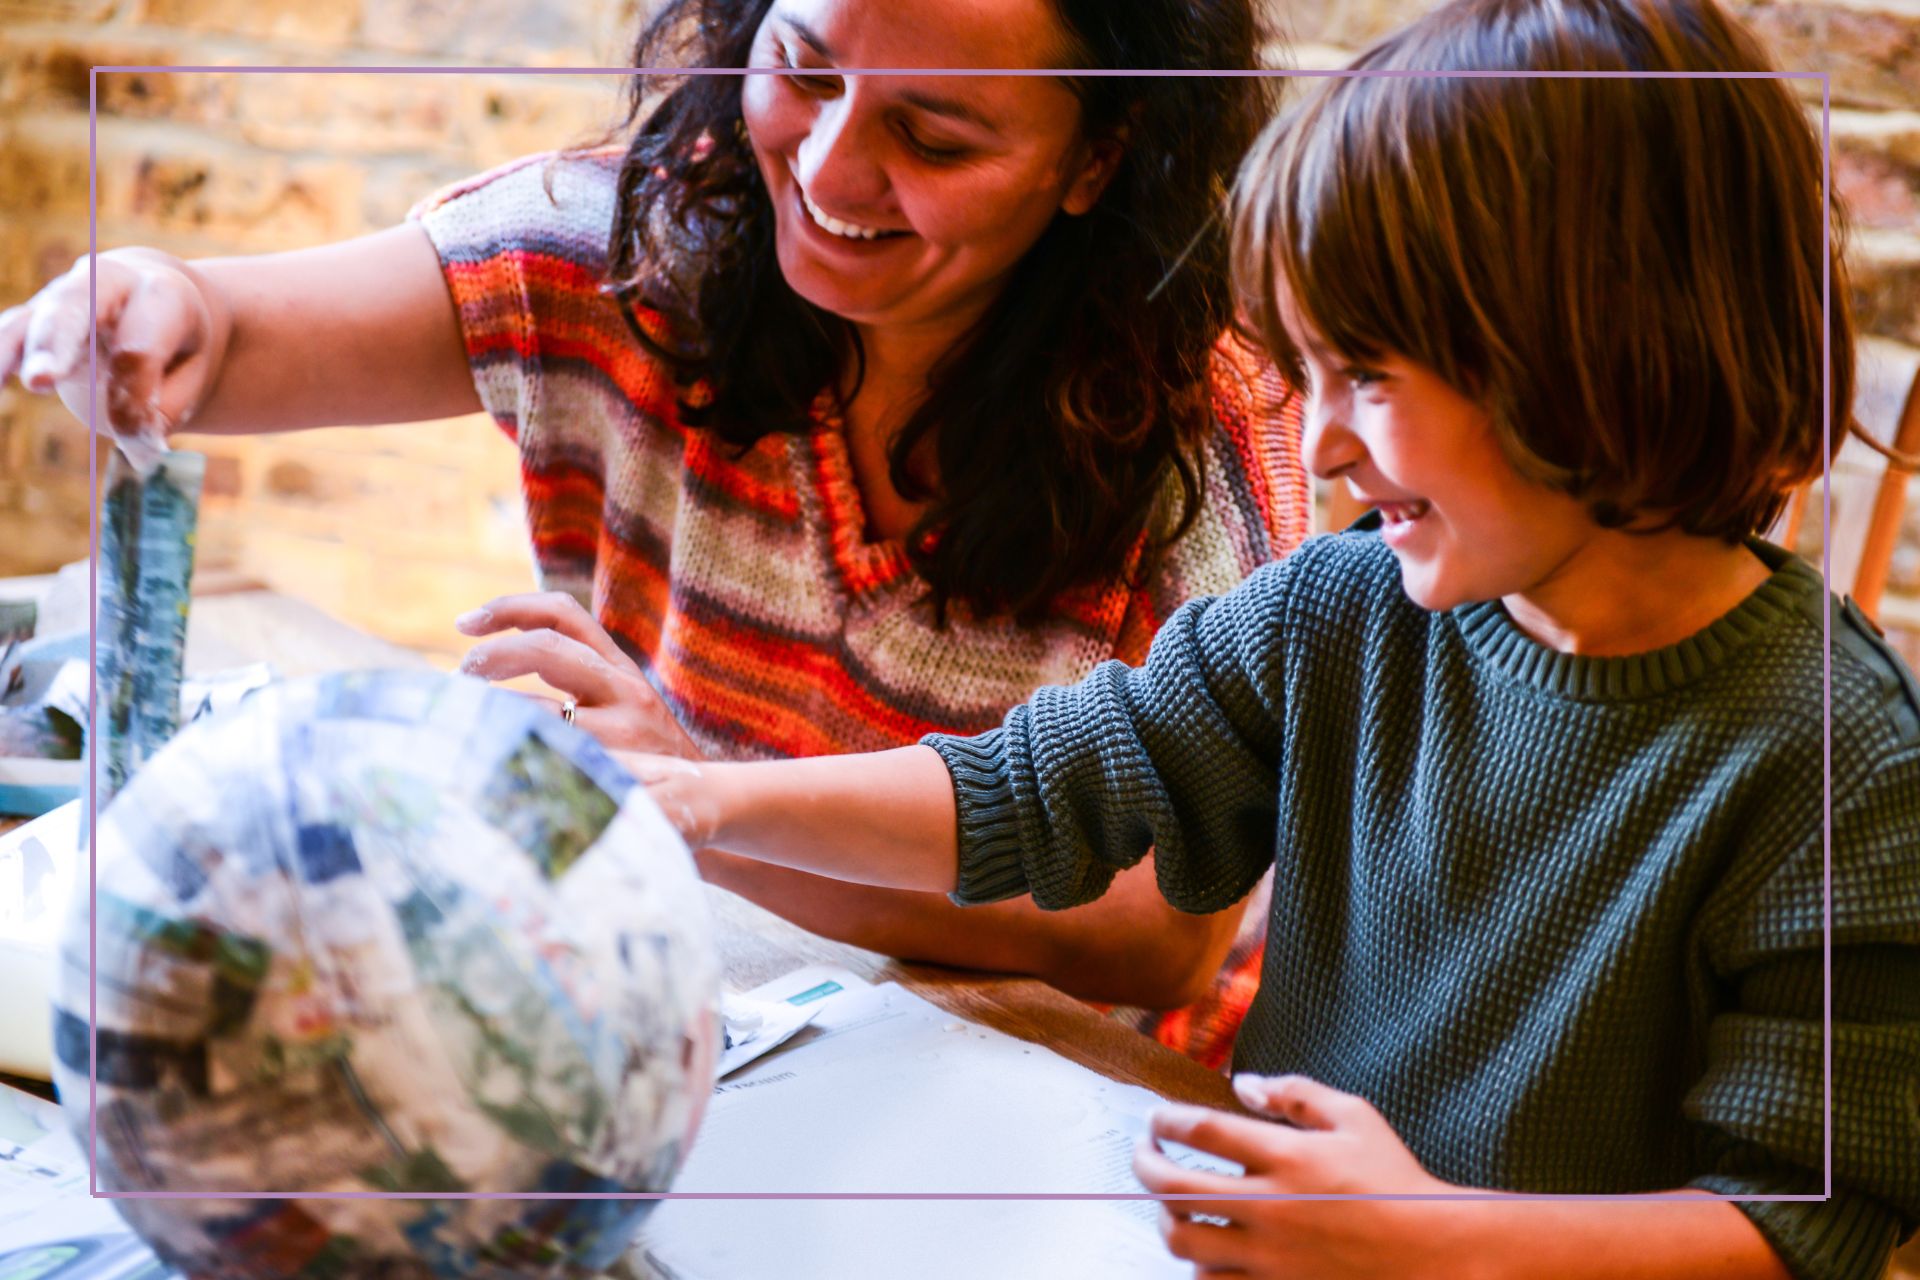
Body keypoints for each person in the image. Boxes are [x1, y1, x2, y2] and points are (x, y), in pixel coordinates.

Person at [619, 0, 1920, 1276]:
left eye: (1373, 377)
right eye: (1308, 375)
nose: (1325, 448)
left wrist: (1433, 1242)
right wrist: (709, 803)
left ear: (1603, 352)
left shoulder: (1837, 763)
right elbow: (1030, 790)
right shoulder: (1339, 611)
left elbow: (1808, 1221)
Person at [0, 0, 1309, 1063]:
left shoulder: (1206, 422)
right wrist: (154, 299)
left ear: (1098, 158)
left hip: (1050, 1093)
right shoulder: (636, 245)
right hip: (697, 1005)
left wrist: (700, 804)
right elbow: (229, 335)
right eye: (800, 66)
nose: (832, 167)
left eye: (939, 136)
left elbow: (1151, 938)